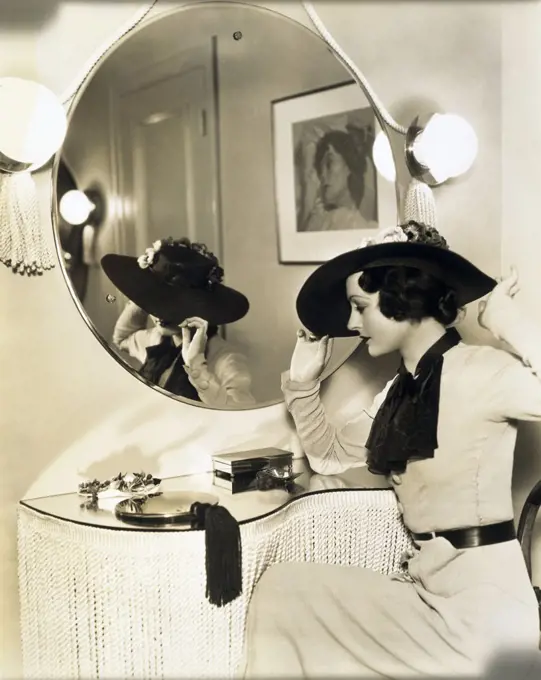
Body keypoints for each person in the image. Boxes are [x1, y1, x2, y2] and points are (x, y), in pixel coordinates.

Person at [241, 220, 541, 678]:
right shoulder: (400, 393)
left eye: (360, 306)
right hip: (427, 592)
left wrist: (509, 323)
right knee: (285, 590)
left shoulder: (484, 371)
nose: (350, 323)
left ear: (401, 296)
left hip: (486, 616)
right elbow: (330, 459)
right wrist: (303, 384)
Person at [101, 236, 256, 408]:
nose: (160, 316)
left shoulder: (226, 359)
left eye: (172, 306)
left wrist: (197, 368)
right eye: (157, 304)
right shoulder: (156, 340)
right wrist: (143, 295)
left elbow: (240, 412)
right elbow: (122, 338)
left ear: (200, 308)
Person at [297, 124, 378, 233]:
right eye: (320, 168)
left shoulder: (355, 224)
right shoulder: (317, 218)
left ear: (349, 166)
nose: (323, 175)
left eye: (329, 163)